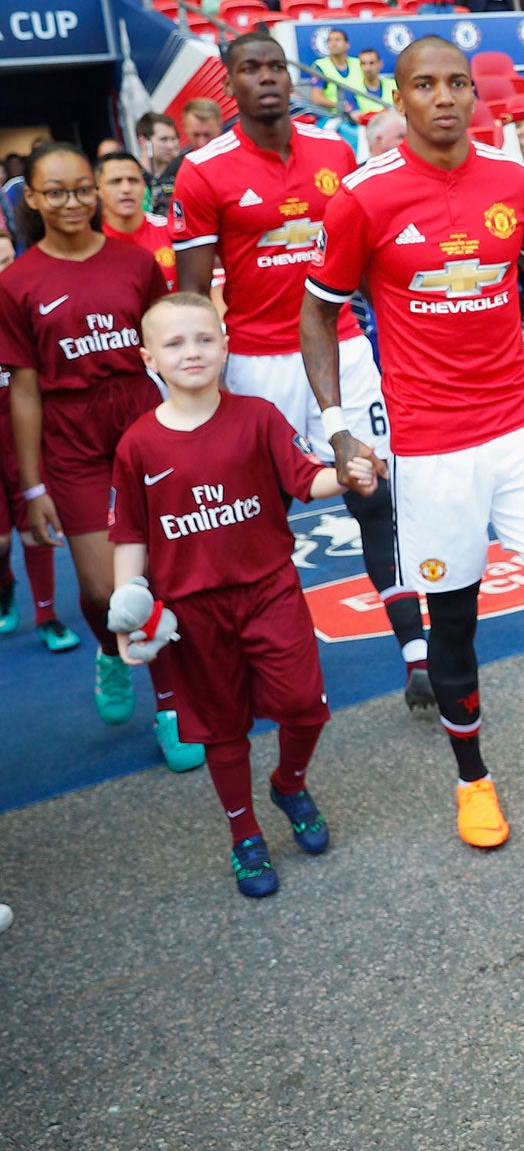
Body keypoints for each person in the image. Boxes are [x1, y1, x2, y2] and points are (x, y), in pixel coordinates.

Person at [301, 35, 524, 850]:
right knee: (454, 622)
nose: (446, 97)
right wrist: (338, 423)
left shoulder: (518, 182)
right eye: (425, 85)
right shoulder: (362, 198)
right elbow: (317, 311)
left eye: (458, 82)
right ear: (401, 98)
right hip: (431, 452)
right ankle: (474, 781)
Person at [173, 32, 431, 707]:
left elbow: (360, 256)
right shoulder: (203, 171)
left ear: (291, 79)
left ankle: (416, 653)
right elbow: (194, 296)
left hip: (343, 350)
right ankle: (254, 655)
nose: (266, 79)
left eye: (275, 67)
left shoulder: (334, 152)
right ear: (229, 84)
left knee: (375, 491)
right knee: (260, 517)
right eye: (250, 69)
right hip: (260, 367)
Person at [109, 294, 377, 898]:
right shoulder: (138, 446)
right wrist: (127, 606)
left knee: (305, 702)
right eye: (174, 344)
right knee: (221, 730)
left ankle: (289, 782)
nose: (192, 352)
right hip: (193, 612)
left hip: (269, 590)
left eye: (204, 338)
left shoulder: (257, 416)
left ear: (226, 344)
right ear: (148, 358)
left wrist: (352, 474)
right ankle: (245, 834)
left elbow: (307, 477)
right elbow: (129, 534)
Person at [0, 141, 184, 760]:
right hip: (70, 436)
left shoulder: (135, 264)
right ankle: (110, 651)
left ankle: (171, 707)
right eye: (56, 192)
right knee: (105, 592)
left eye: (83, 188)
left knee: (154, 575)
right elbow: (23, 390)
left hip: (138, 418)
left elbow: (166, 350)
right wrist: (33, 488)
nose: (73, 202)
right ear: (31, 198)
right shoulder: (17, 283)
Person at [0, 235, 72, 654]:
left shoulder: (31, 308)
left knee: (34, 529)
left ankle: (47, 615)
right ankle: (5, 584)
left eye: (9, 260)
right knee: (2, 543)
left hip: (24, 436)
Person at [96, 152, 176, 283]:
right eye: (115, 182)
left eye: (133, 181)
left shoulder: (169, 230)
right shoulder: (88, 241)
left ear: (144, 187)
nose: (126, 189)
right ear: (98, 190)